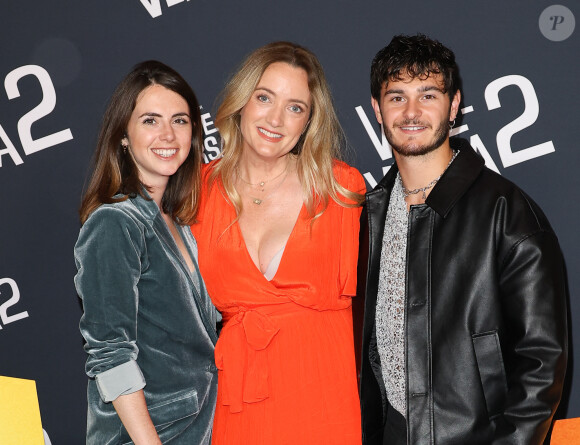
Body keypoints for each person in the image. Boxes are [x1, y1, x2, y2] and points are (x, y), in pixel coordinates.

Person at [358, 34, 568, 445]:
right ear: (377, 111)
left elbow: (542, 363)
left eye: (428, 95)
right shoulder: (367, 215)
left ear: (454, 106)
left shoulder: (506, 212)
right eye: (397, 97)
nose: (412, 111)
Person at [192, 41, 365, 444]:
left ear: (309, 121)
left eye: (295, 107)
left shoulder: (340, 189)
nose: (275, 119)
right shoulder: (199, 190)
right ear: (241, 102)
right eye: (264, 97)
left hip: (323, 403)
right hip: (239, 404)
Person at [74, 60, 220, 445]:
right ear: (124, 134)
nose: (168, 135)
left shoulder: (181, 222)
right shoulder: (114, 223)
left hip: (196, 429)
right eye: (150, 121)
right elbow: (111, 356)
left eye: (180, 120)